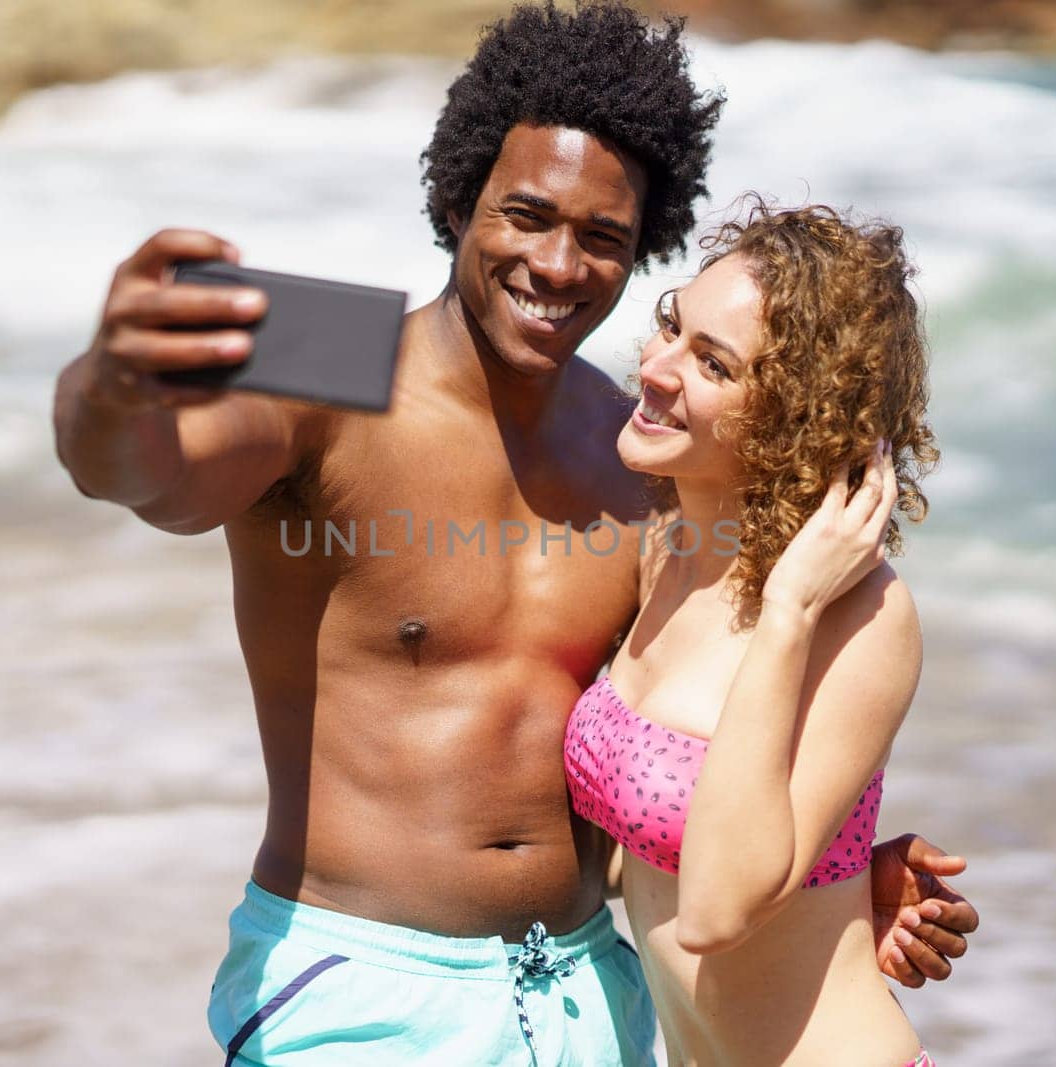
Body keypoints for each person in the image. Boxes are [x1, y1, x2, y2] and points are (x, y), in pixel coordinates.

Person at [52, 4, 976, 1063]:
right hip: (358, 985)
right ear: (456, 197)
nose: (556, 263)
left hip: (590, 988)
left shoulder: (640, 451)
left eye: (602, 239)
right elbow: (144, 475)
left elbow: (691, 734)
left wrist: (831, 879)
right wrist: (109, 388)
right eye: (525, 215)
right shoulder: (329, 349)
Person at [564, 200, 942, 1066]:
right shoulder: (663, 547)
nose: (654, 368)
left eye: (711, 362)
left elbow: (715, 912)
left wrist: (790, 611)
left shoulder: (861, 619)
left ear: (791, 421)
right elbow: (641, 860)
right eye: (671, 327)